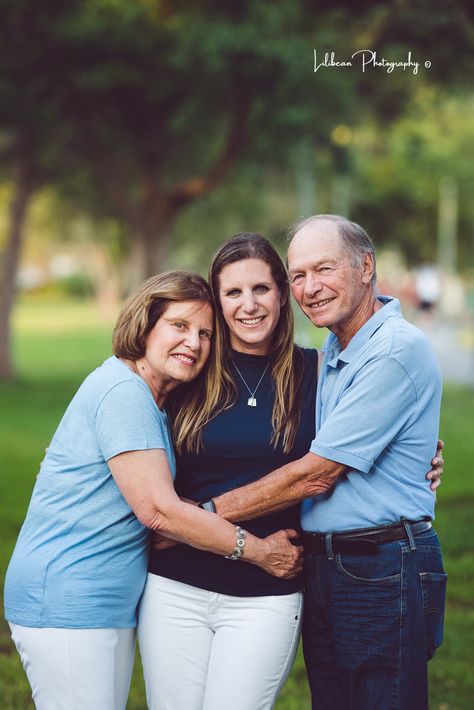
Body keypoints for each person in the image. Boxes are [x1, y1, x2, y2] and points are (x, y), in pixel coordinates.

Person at [139, 233, 444, 710]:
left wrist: (195, 521)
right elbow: (126, 431)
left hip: (269, 587)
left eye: (261, 288)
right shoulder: (189, 371)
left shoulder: (317, 370)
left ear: (280, 295)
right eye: (233, 293)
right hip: (176, 584)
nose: (249, 305)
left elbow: (334, 459)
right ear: (217, 303)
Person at [3, 270, 302, 710]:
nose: (195, 344)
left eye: (204, 333)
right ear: (145, 325)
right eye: (179, 326)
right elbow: (158, 512)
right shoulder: (124, 393)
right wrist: (260, 551)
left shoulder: (152, 401)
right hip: (69, 600)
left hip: (104, 604)